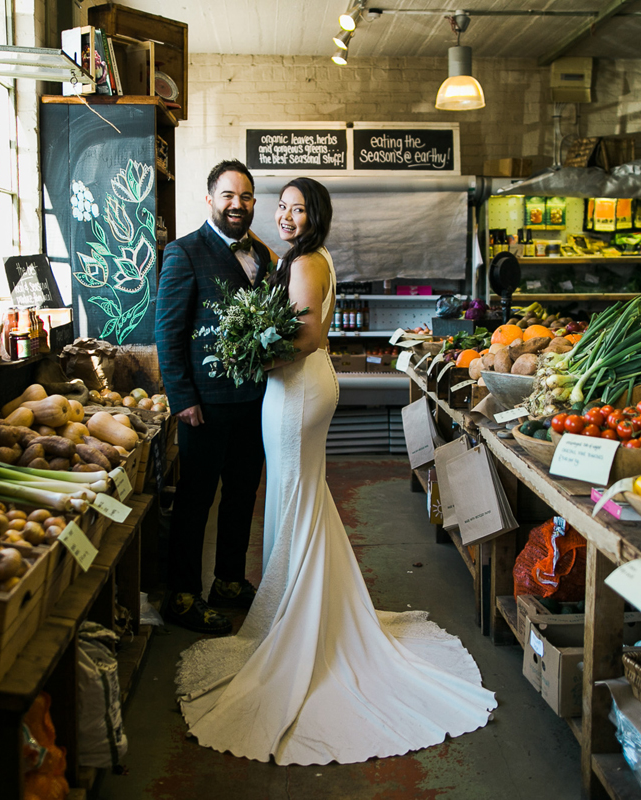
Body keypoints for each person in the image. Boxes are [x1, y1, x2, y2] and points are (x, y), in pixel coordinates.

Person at [173, 178, 497, 765]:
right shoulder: (294, 257)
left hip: (296, 389)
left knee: (295, 496)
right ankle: (293, 603)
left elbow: (309, 334)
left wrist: (251, 354)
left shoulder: (305, 262)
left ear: (315, 215)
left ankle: (298, 620)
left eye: (299, 209)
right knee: (299, 497)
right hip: (294, 388)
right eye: (283, 207)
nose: (287, 216)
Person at [154, 159, 273, 634]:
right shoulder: (184, 252)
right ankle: (182, 596)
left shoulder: (261, 254)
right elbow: (168, 331)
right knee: (196, 498)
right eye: (228, 196)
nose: (237, 205)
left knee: (243, 495)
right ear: (209, 200)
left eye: (245, 197)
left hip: (254, 402)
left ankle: (227, 580)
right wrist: (182, 397)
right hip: (202, 404)